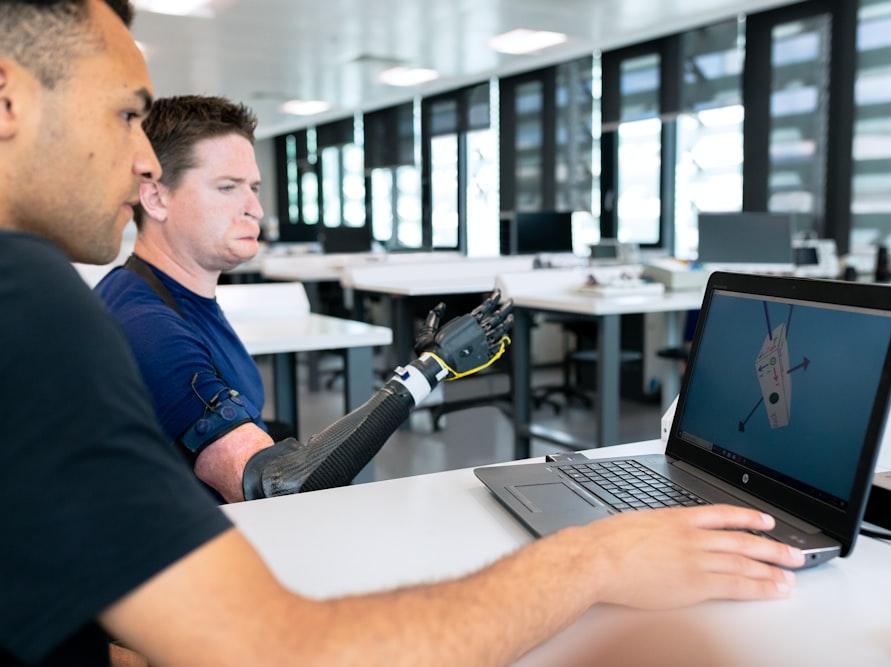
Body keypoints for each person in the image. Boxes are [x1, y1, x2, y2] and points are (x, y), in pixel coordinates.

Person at [0, 2, 805, 665]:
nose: (142, 159)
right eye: (126, 113)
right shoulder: (43, 304)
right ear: (6, 102)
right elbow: (276, 590)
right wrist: (595, 554)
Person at [94, 93, 513, 504]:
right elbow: (276, 484)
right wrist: (428, 370)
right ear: (156, 197)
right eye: (227, 187)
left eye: (254, 188)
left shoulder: (175, 295)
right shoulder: (147, 327)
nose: (255, 208)